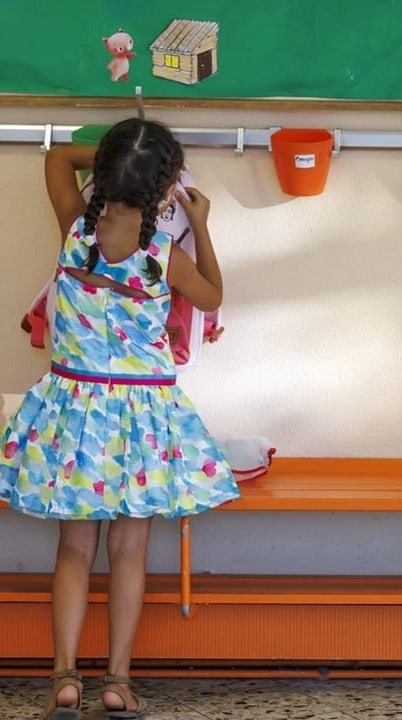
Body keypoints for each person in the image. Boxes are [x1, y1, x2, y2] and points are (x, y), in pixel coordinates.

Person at [0, 118, 240, 720]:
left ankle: (62, 675)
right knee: (130, 550)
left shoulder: (75, 231)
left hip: (74, 412)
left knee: (74, 551)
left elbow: (57, 157)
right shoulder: (164, 254)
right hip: (142, 418)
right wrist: (202, 224)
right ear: (166, 188)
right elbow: (211, 297)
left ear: (101, 174)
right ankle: (117, 680)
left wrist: (114, 153)